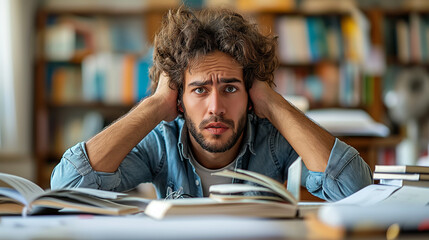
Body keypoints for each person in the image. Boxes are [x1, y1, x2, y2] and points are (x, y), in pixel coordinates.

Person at [51, 7, 372, 201]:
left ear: (250, 95)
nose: (215, 106)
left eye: (231, 88)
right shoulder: (161, 142)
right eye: (200, 90)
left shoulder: (273, 138)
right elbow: (66, 186)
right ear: (179, 97)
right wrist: (155, 105)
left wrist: (272, 103)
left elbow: (357, 189)